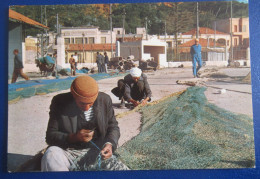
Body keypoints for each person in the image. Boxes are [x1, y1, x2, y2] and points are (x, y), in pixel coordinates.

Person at [41, 76, 129, 171]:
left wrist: (109, 144)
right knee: (51, 155)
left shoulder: (104, 100)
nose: (87, 108)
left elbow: (113, 127)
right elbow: (50, 136)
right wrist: (74, 137)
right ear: (74, 96)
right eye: (82, 103)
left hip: (97, 152)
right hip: (68, 152)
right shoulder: (59, 102)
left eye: (90, 104)